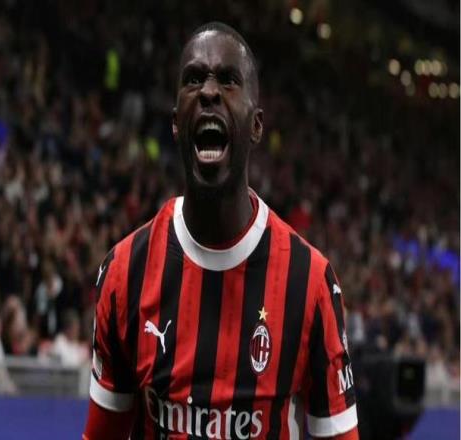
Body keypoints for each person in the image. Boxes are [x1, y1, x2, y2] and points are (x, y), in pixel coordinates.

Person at [84, 22, 358, 440]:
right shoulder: (126, 272)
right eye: (194, 79)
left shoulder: (310, 282)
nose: (209, 92)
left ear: (256, 126)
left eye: (228, 80)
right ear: (176, 122)